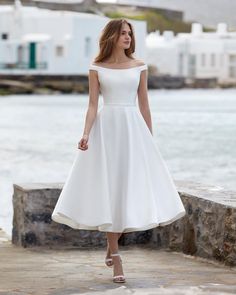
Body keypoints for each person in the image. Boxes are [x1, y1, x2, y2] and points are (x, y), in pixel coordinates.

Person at [51, 18, 186, 284]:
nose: (127, 37)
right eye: (123, 33)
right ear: (112, 36)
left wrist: (148, 138)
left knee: (127, 190)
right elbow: (92, 105)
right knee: (110, 189)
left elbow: (145, 105)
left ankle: (111, 244)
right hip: (106, 130)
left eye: (129, 33)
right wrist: (86, 133)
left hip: (133, 129)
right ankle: (117, 257)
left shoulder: (139, 66)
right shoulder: (96, 67)